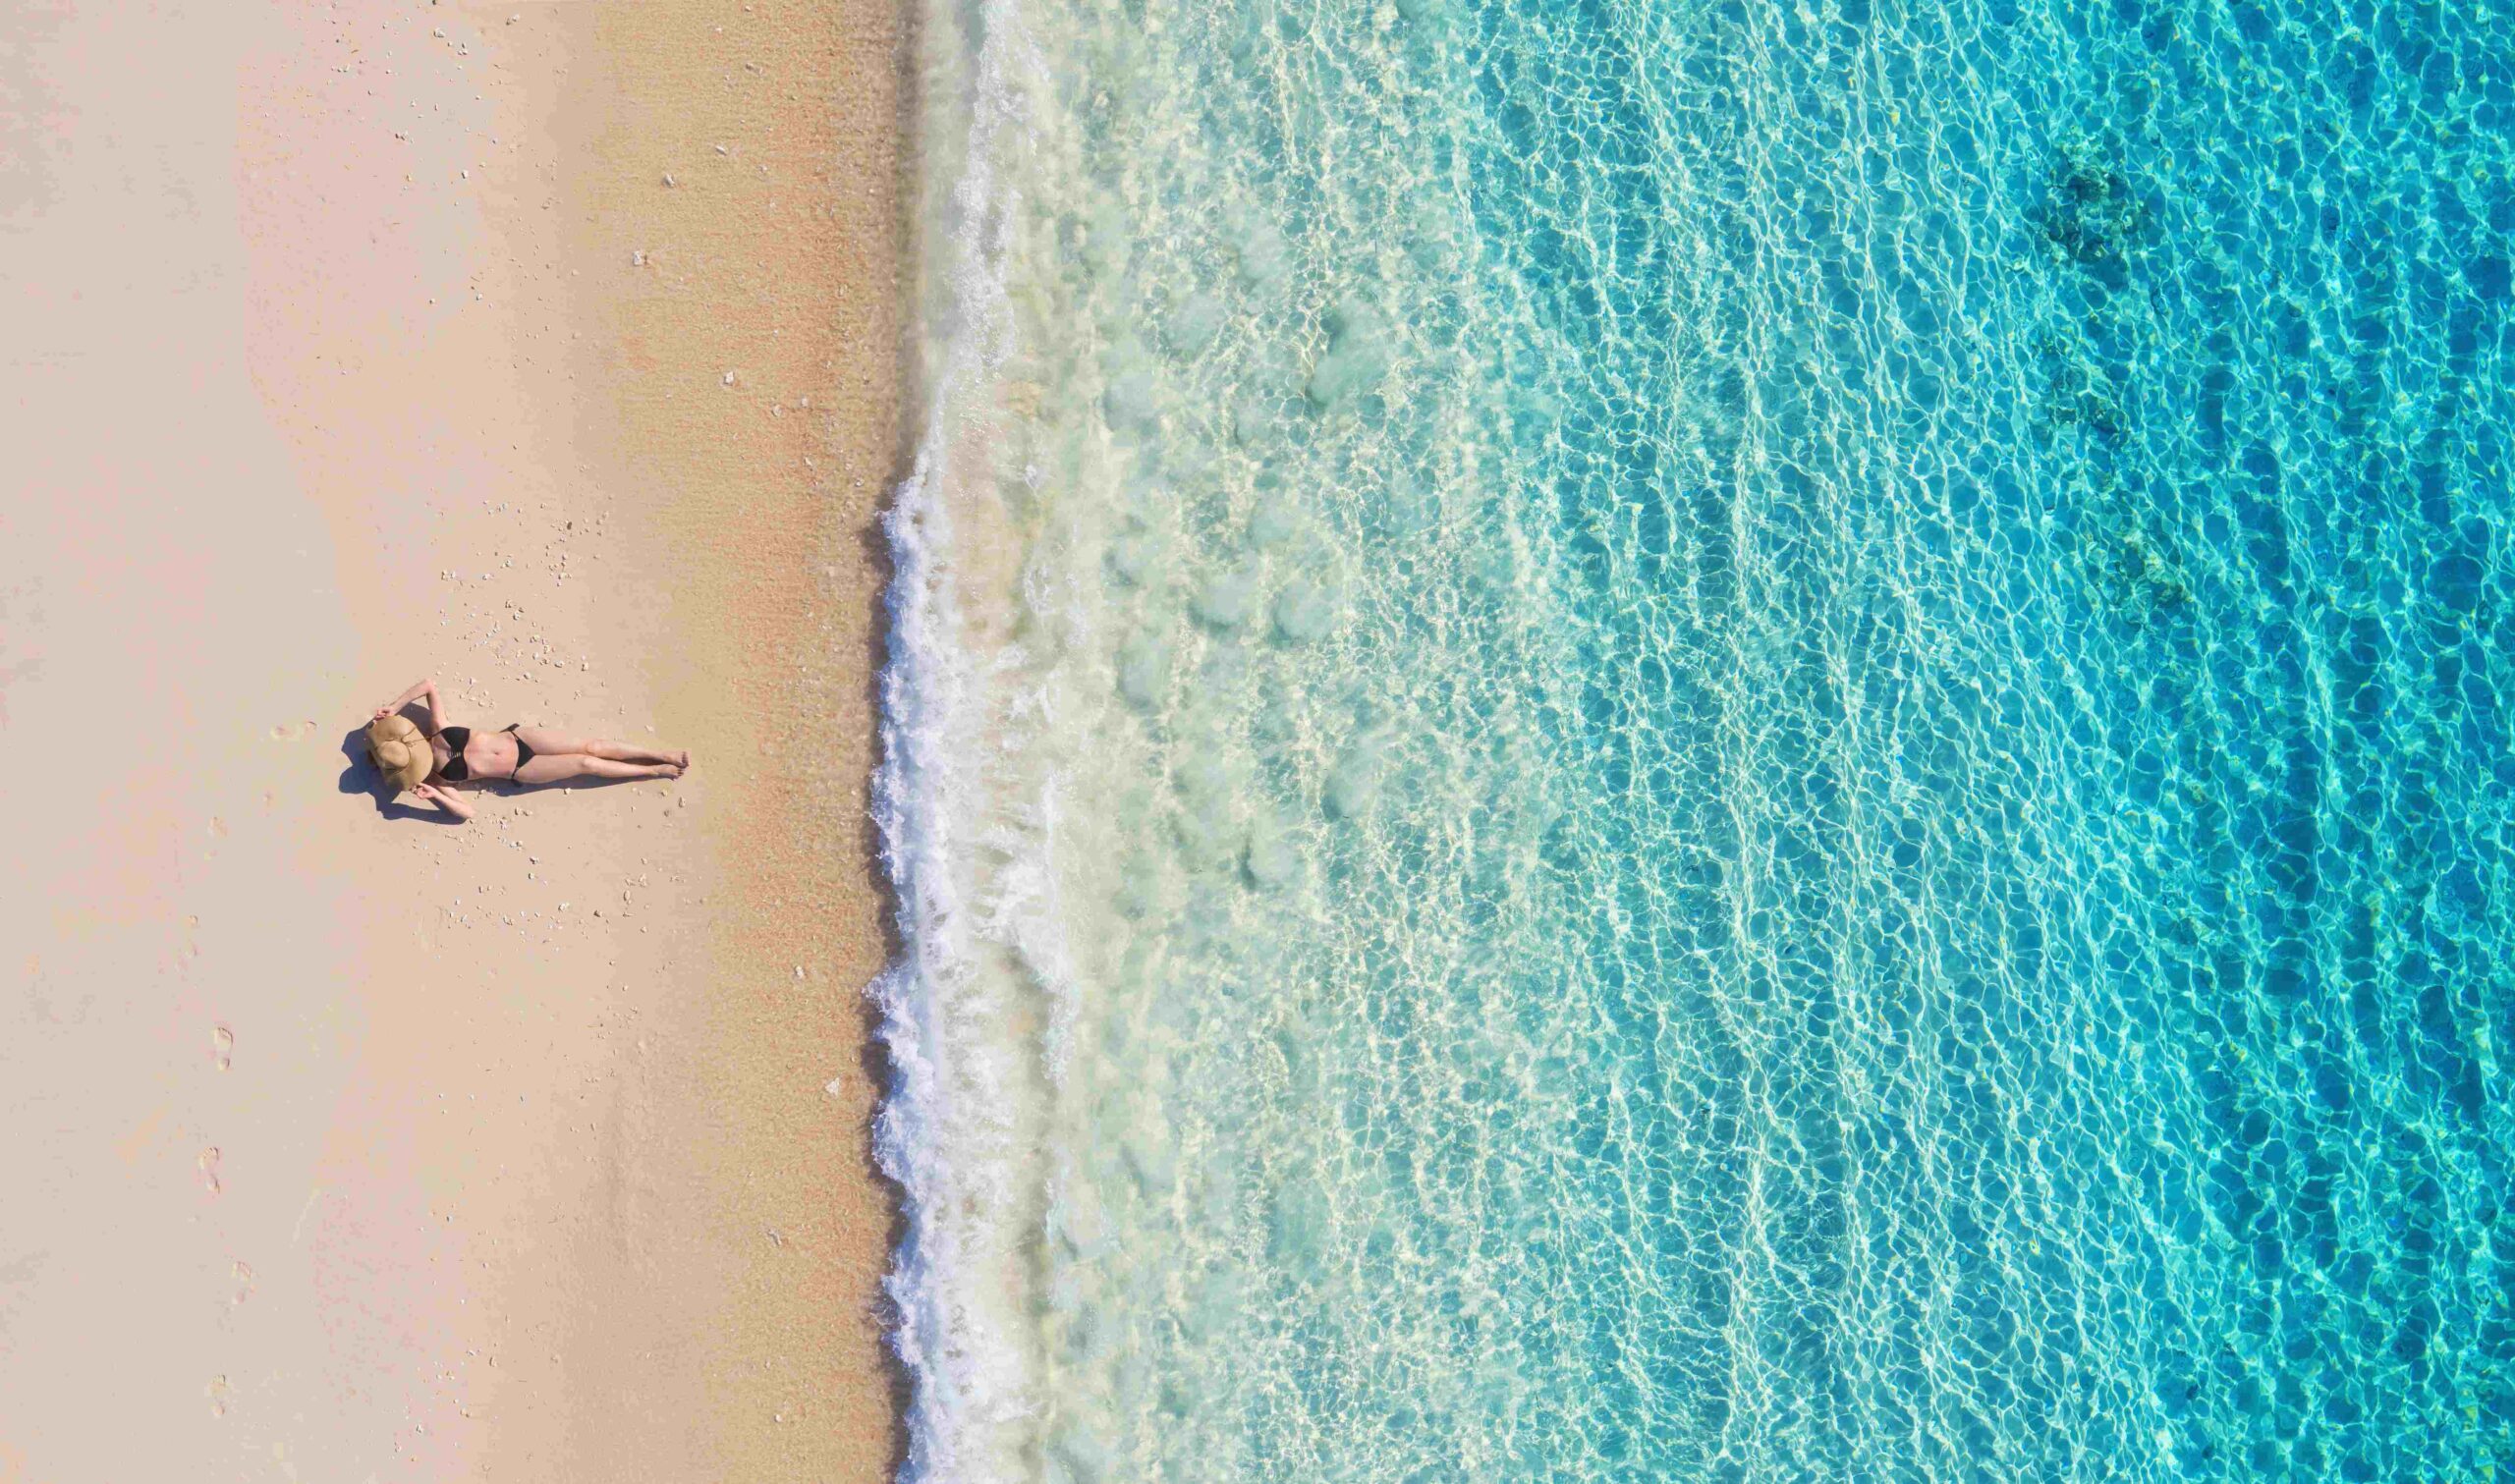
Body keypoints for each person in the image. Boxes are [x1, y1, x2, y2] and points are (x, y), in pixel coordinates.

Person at [363, 677, 688, 822]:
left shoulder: (438, 731)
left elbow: (428, 686)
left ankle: (662, 754)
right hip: (521, 771)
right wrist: (435, 797)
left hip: (521, 739)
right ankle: (652, 770)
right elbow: (468, 813)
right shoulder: (437, 780)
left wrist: (394, 706)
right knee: (587, 763)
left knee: (593, 745)